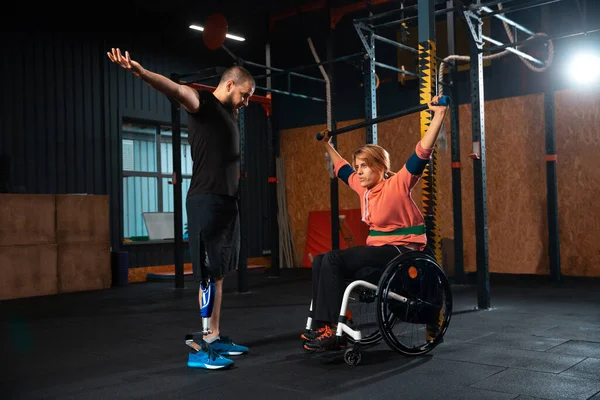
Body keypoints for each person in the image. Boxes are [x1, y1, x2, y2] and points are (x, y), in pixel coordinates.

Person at [107, 48, 254, 369]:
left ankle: (214, 337)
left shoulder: (231, 114)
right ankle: (201, 349)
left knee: (219, 273)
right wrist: (141, 72)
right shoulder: (203, 103)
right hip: (206, 201)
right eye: (245, 95)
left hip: (228, 202)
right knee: (205, 274)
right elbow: (174, 89)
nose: (246, 102)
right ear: (229, 85)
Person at [302, 96, 448, 352]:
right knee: (320, 260)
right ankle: (325, 325)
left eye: (365, 167)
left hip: (402, 251)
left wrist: (439, 114)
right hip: (380, 252)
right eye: (358, 166)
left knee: (334, 259)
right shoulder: (363, 187)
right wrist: (328, 144)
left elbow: (422, 151)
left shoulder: (399, 184)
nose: (358, 172)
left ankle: (331, 328)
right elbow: (342, 168)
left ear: (381, 167)